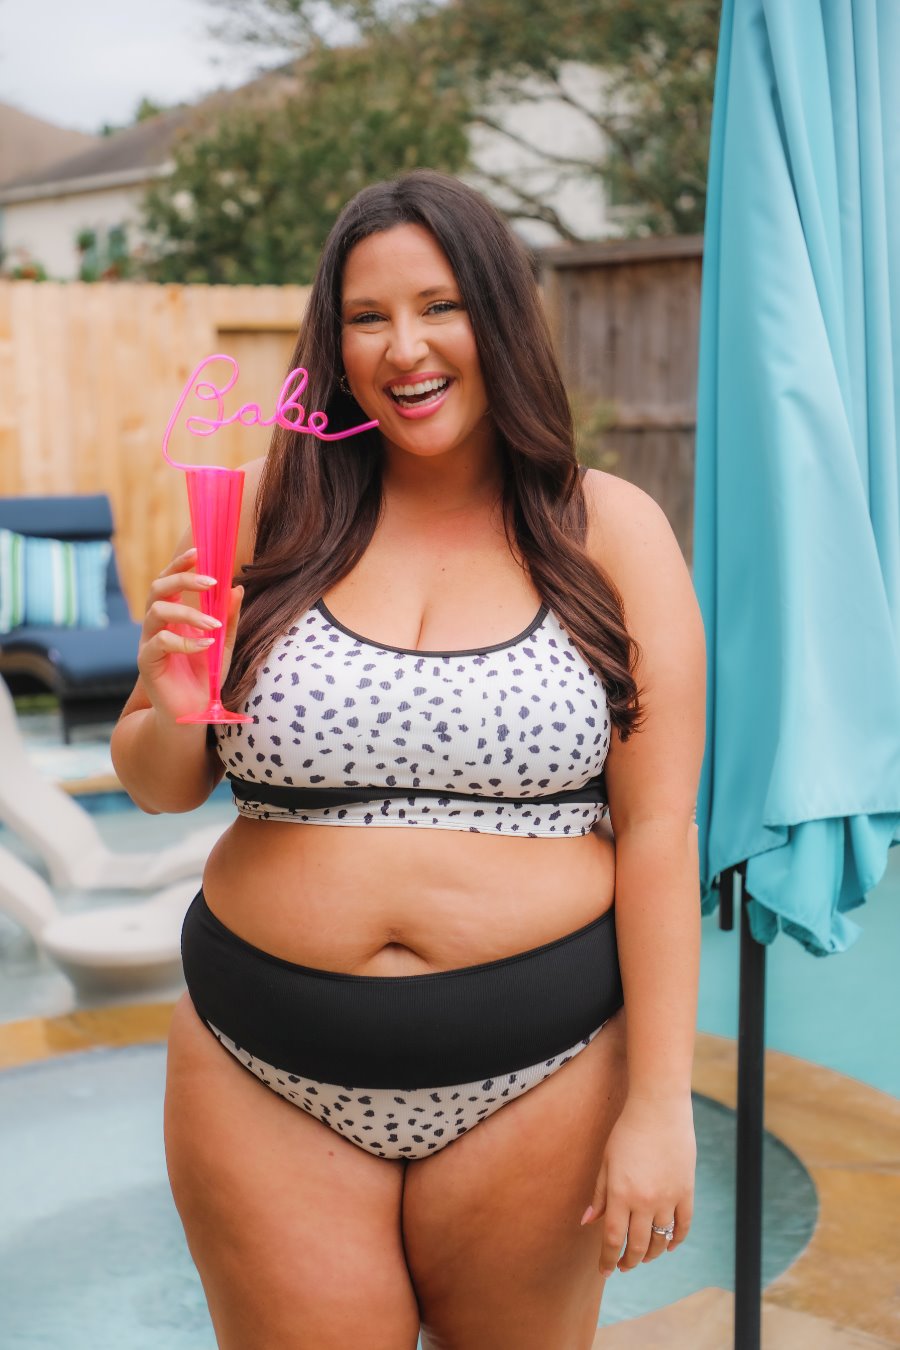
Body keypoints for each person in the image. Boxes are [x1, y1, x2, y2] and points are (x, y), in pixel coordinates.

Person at [111, 168, 705, 1350]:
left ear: (500, 316)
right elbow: (163, 781)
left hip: (542, 1080)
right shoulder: (269, 516)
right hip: (259, 1074)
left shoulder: (609, 529)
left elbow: (656, 830)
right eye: (366, 317)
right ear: (332, 346)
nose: (405, 347)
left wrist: (661, 1103)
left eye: (440, 306)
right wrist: (169, 680)